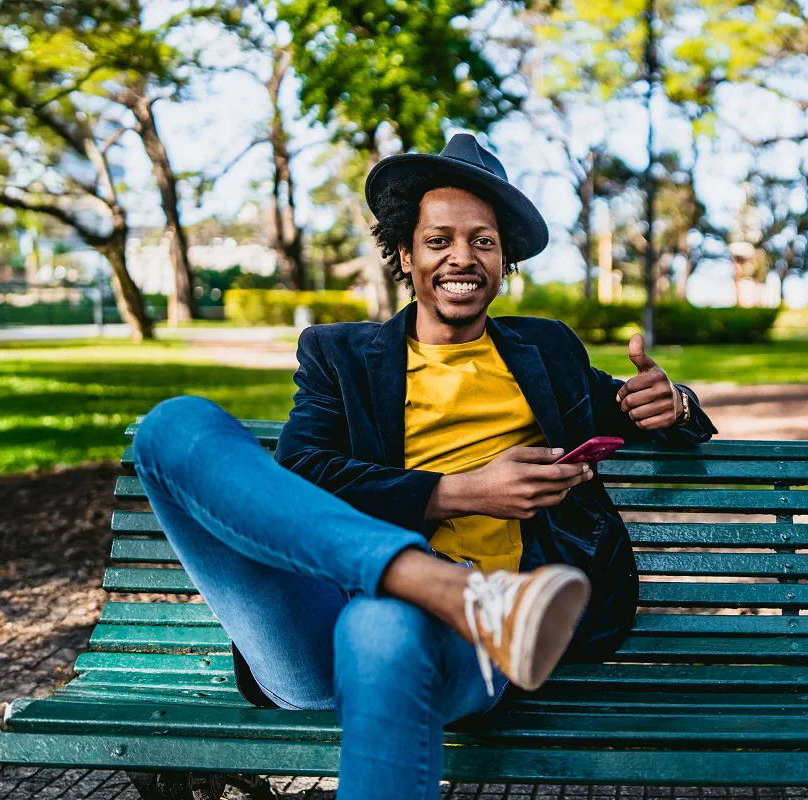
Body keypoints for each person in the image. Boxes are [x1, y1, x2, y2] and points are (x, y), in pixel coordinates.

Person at [131, 133, 717, 800]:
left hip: (457, 646)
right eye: (438, 240)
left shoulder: (545, 352)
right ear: (404, 255)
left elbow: (637, 408)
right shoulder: (340, 357)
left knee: (385, 622)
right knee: (173, 423)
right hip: (313, 623)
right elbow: (304, 474)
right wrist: (461, 492)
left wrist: (674, 403)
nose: (461, 258)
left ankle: (450, 597)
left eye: (482, 241)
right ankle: (438, 586)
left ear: (504, 262)